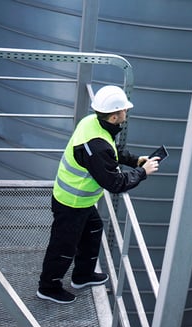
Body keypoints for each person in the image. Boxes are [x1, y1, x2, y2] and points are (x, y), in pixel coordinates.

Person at [37, 85, 160, 304]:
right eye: (124, 110)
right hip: (71, 203)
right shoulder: (97, 145)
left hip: (81, 201)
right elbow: (115, 183)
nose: (126, 113)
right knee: (64, 246)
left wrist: (135, 161)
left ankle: (82, 276)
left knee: (93, 230)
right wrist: (142, 172)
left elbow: (113, 152)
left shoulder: (93, 123)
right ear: (114, 116)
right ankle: (48, 287)